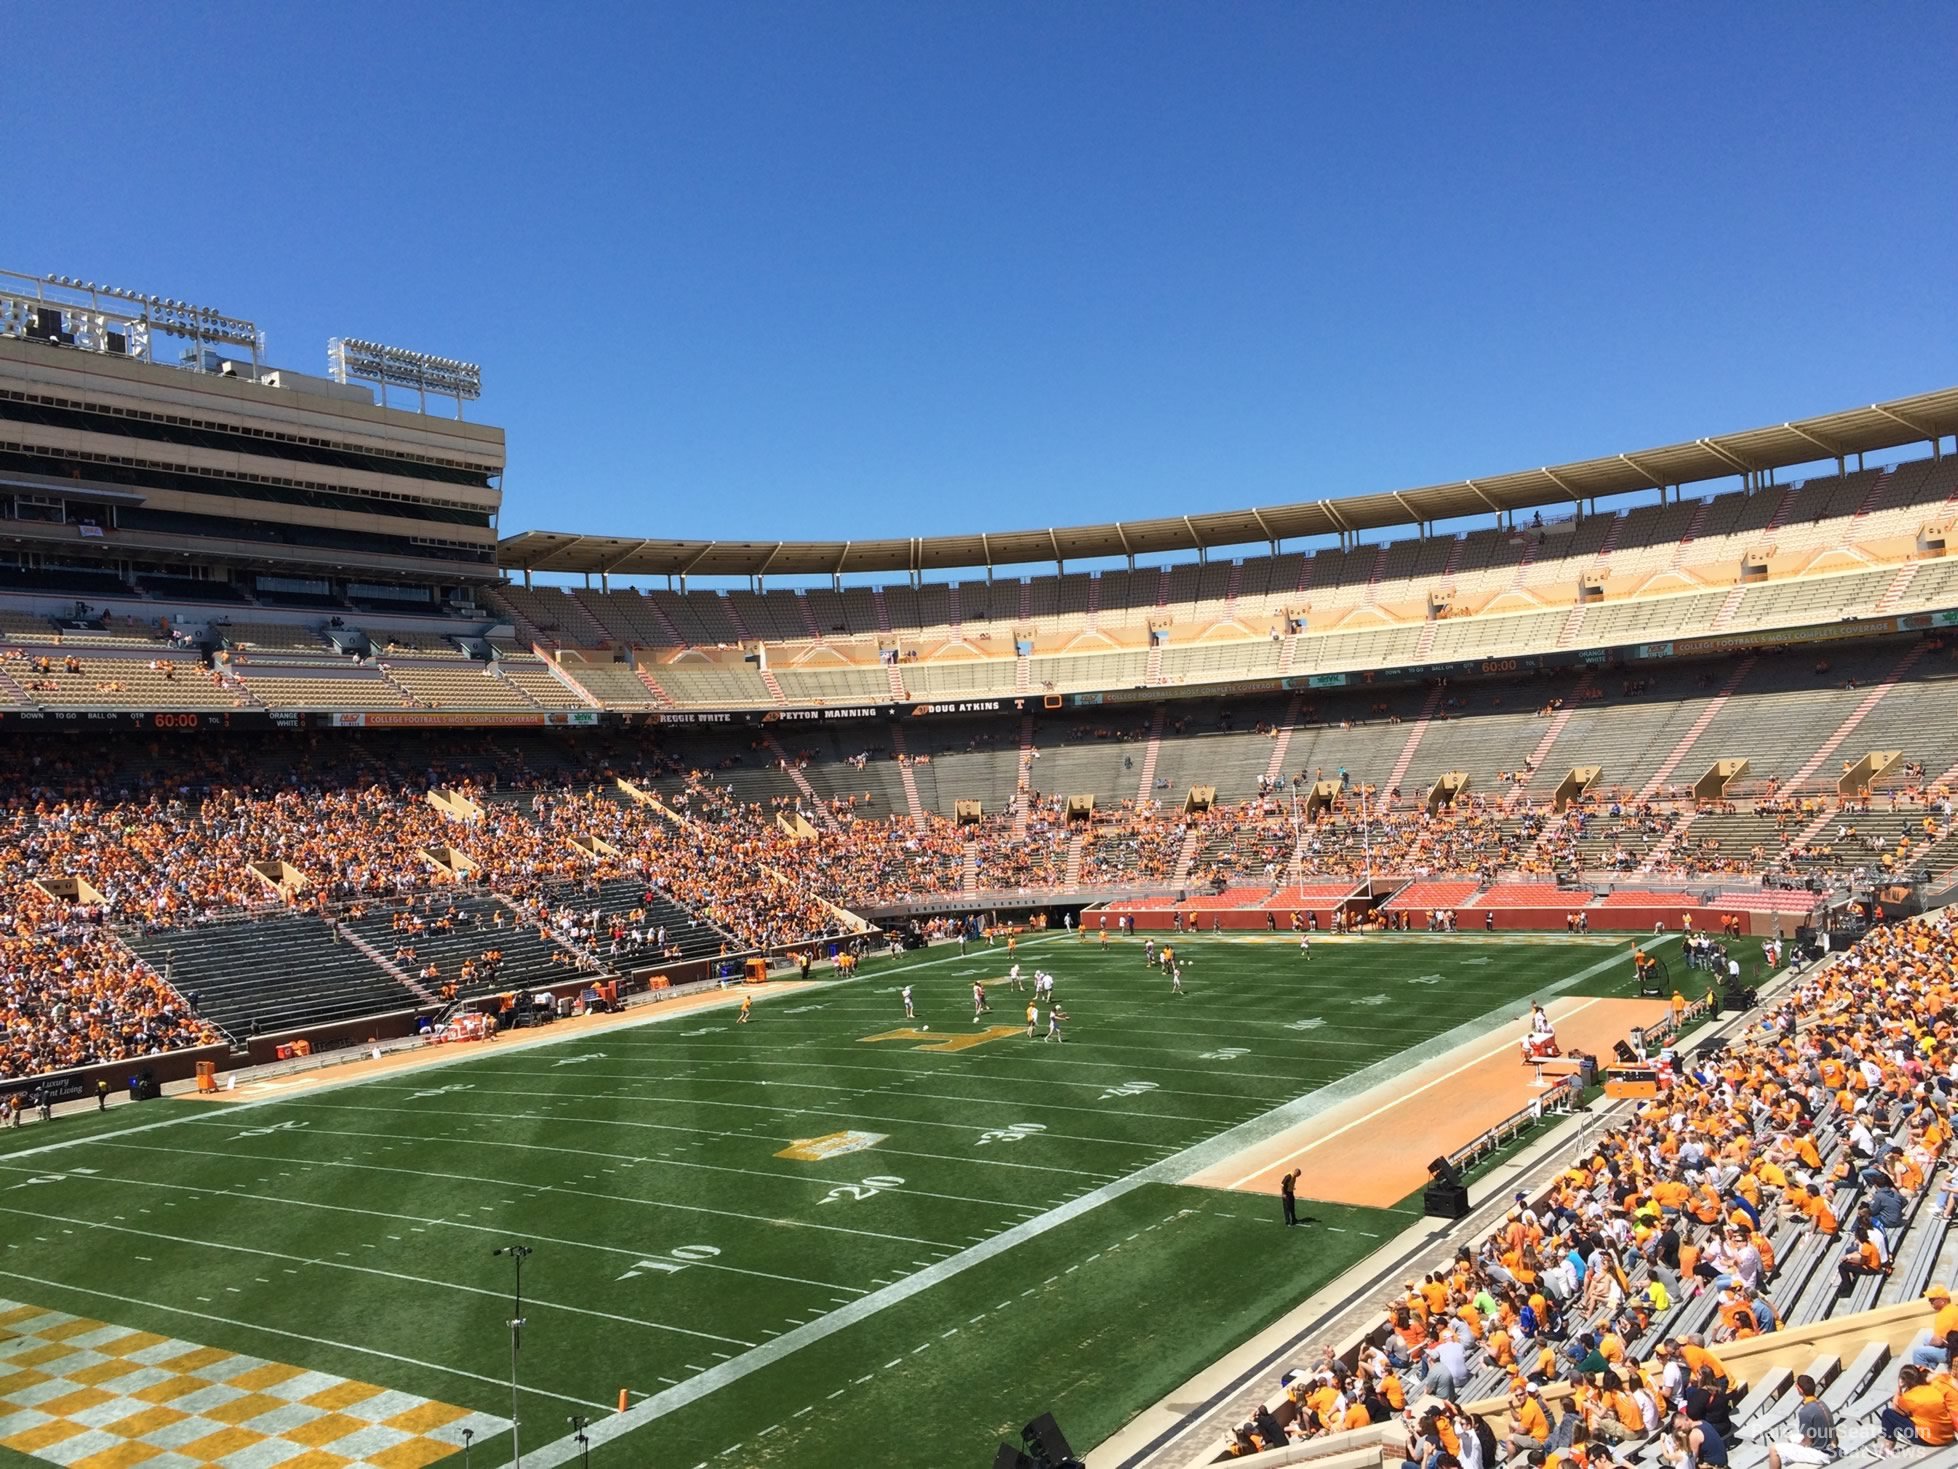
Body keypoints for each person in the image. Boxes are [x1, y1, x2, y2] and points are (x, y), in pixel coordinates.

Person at [1765, 1375, 1835, 1467]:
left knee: (1774, 1449)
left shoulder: (1805, 1411)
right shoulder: (1822, 1404)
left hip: (1819, 1454)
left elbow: (1807, 1442)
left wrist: (1799, 1444)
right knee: (1791, 1437)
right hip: (1830, 1448)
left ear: (1800, 1390)